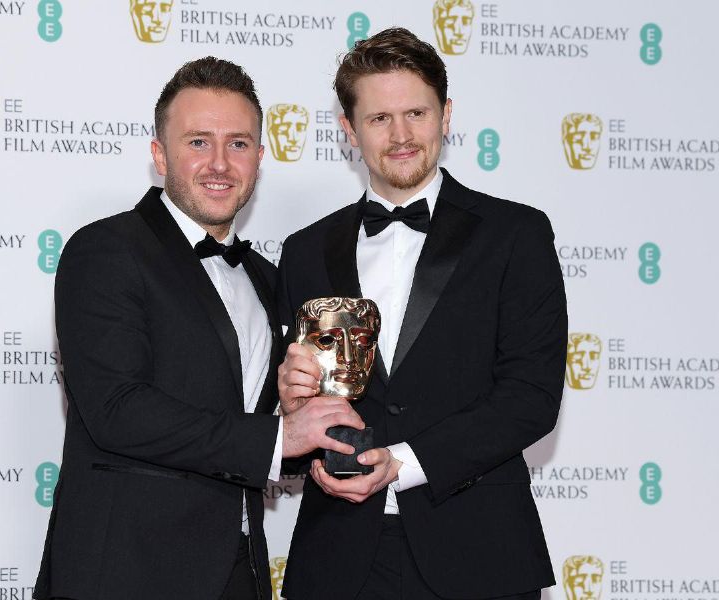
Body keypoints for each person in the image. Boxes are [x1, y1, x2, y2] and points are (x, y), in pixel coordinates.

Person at [33, 56, 363, 600]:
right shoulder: (105, 251)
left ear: (259, 157)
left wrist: (326, 443)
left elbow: (260, 423)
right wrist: (280, 437)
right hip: (125, 574)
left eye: (238, 144)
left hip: (241, 570)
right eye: (197, 142)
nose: (219, 164)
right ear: (159, 154)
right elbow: (117, 410)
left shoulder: (268, 279)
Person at [277, 28, 568, 600]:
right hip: (337, 561)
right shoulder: (304, 250)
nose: (402, 135)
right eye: (380, 118)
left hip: (479, 552)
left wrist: (405, 462)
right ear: (348, 129)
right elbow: (284, 421)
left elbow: (531, 398)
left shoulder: (516, 235)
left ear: (447, 114)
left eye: (417, 112)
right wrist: (289, 407)